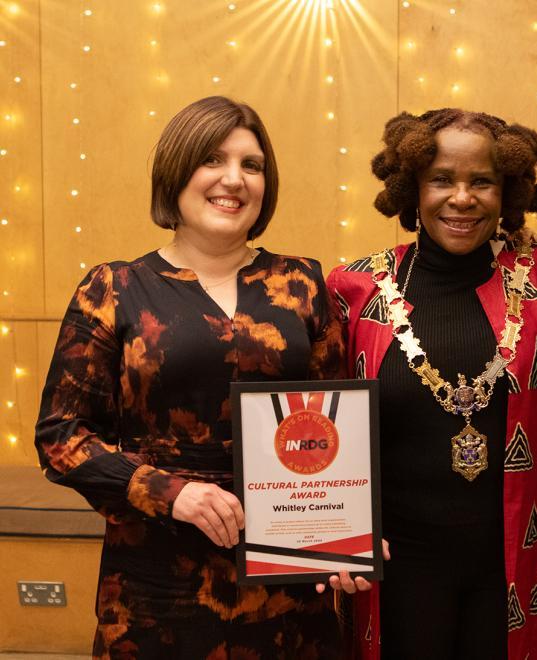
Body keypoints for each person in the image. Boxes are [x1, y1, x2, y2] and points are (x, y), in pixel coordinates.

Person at [35, 96, 345, 659]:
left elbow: (338, 429)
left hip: (290, 587)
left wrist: (348, 543)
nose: (234, 179)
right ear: (176, 172)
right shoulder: (113, 288)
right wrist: (170, 493)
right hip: (158, 580)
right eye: (213, 160)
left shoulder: (302, 284)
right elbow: (61, 436)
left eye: (252, 165)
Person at [325, 109, 537, 660]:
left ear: (507, 191)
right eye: (442, 178)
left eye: (482, 181)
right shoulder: (356, 288)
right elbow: (321, 430)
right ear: (411, 187)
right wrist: (333, 538)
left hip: (512, 566)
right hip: (396, 569)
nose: (462, 198)